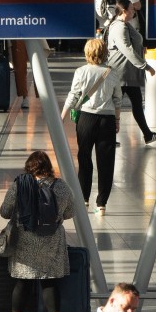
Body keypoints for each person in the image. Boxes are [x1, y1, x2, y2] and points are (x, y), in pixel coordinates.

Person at [0, 151, 74, 312]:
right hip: (52, 241)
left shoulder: (20, 185)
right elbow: (70, 213)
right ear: (48, 166)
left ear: (29, 167)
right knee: (49, 282)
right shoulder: (61, 186)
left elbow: (4, 211)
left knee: (22, 282)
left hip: (25, 240)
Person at [61, 38, 123, 214]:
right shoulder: (112, 73)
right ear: (104, 53)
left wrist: (62, 116)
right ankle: (101, 203)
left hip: (86, 120)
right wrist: (117, 121)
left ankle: (84, 199)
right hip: (107, 120)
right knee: (106, 162)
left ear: (87, 52)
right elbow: (117, 100)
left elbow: (73, 95)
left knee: (84, 158)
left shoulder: (81, 71)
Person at [105, 0, 156, 145]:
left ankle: (148, 135)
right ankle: (109, 138)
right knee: (114, 105)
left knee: (136, 104)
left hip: (128, 74)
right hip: (122, 74)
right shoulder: (119, 27)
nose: (134, 11)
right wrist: (146, 66)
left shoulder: (123, 25)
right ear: (124, 11)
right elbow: (127, 50)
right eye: (131, 9)